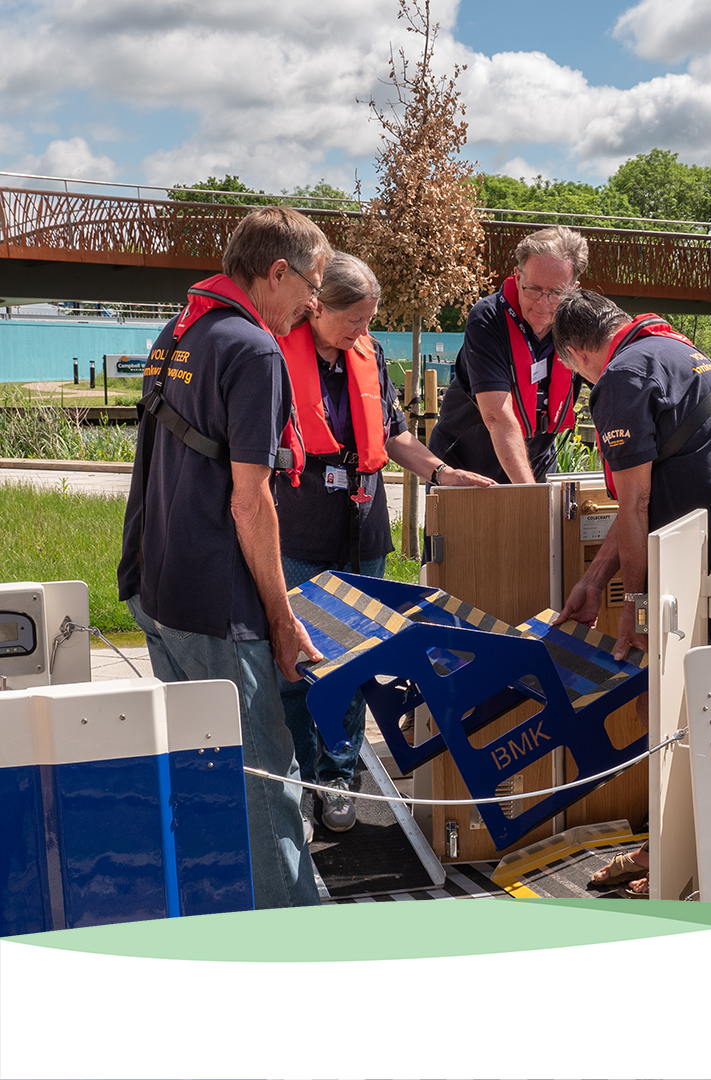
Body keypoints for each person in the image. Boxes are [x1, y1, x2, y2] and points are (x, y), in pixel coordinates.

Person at [117, 206, 333, 909]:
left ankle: (215, 909)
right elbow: (250, 501)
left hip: (156, 585)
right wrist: (280, 615)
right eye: (312, 285)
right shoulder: (254, 350)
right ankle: (301, 938)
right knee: (264, 777)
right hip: (213, 602)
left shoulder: (182, 328)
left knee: (199, 771)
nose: (313, 304)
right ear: (278, 272)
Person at [276, 251, 494, 837]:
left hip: (363, 530)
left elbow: (394, 436)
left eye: (369, 321)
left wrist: (444, 474)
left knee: (353, 662)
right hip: (297, 532)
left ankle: (339, 777)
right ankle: (303, 780)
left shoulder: (371, 360)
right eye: (354, 321)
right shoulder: (272, 356)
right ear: (316, 306)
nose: (363, 333)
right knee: (298, 665)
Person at [550, 290, 711, 895]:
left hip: (697, 566)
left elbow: (637, 502)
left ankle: (687, 862)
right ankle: (674, 848)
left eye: (572, 370)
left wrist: (636, 610)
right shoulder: (676, 351)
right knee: (677, 707)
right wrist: (593, 583)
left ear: (577, 351)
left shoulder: (619, 376)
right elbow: (638, 503)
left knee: (674, 709)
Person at [428, 226, 588, 483]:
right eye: (533, 289)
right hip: (466, 467)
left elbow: (611, 379)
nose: (543, 303)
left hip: (538, 464)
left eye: (556, 293)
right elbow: (497, 416)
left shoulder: (579, 325)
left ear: (573, 288)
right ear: (517, 276)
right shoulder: (487, 319)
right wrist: (530, 496)